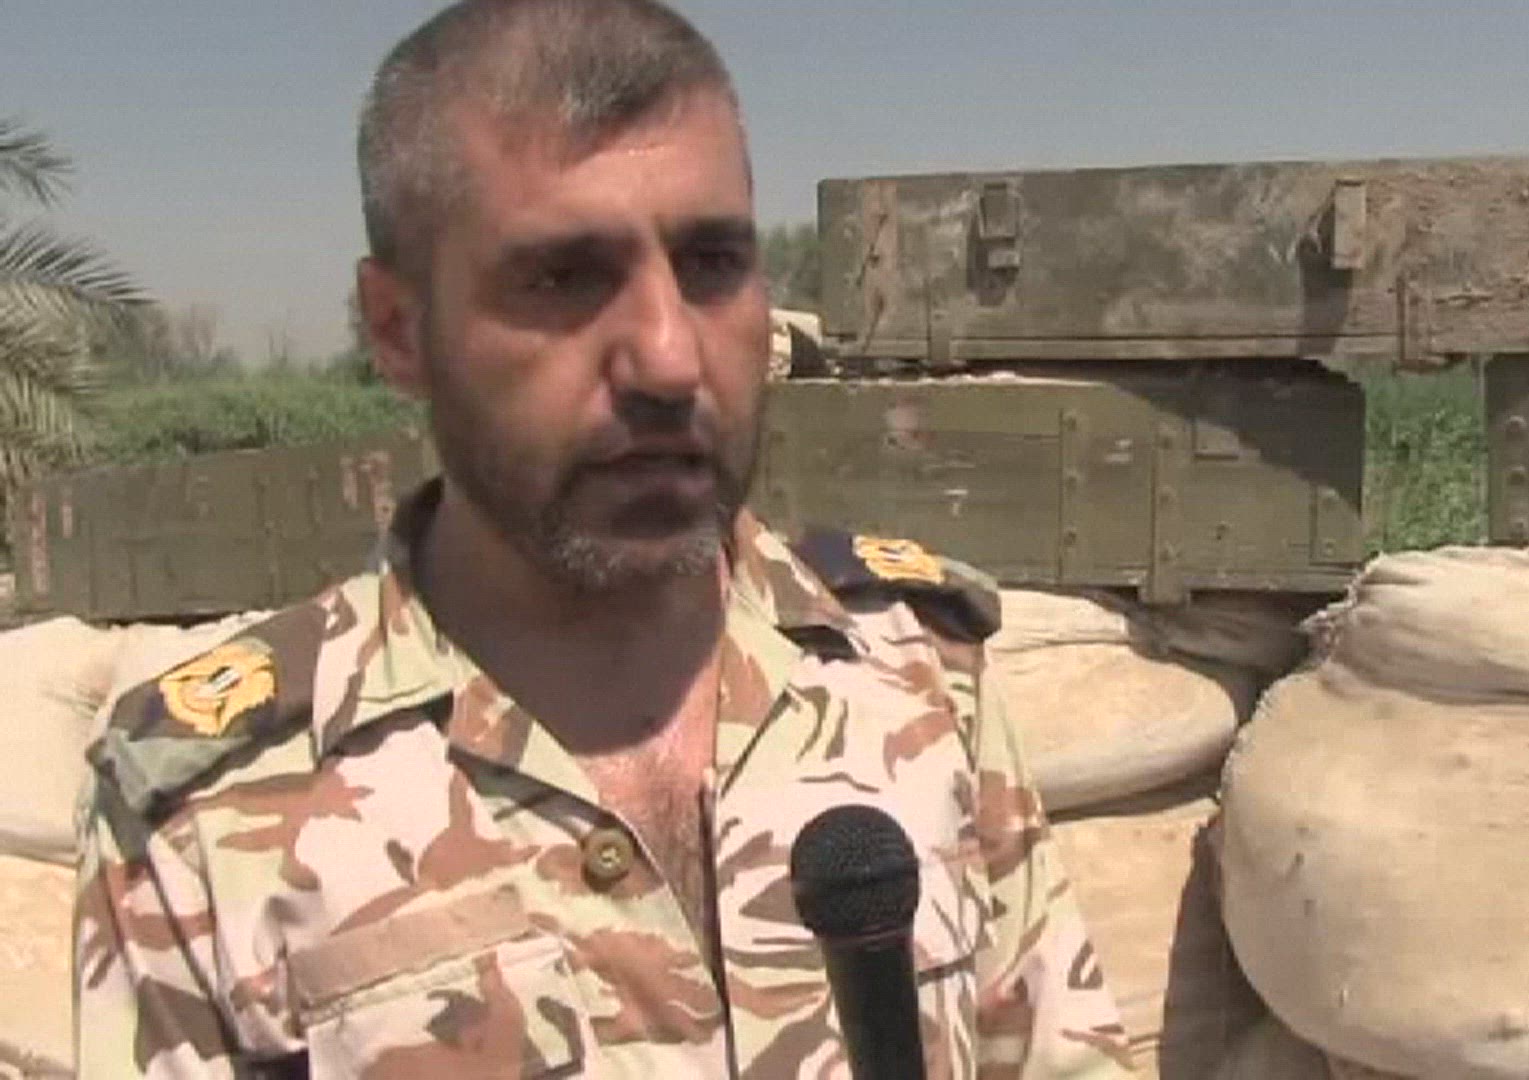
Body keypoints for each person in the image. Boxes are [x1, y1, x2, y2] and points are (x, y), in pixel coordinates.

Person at [71, 1, 1134, 1076]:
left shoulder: (917, 668)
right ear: (399, 330)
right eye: (564, 279)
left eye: (712, 262)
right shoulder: (205, 810)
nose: (669, 359)